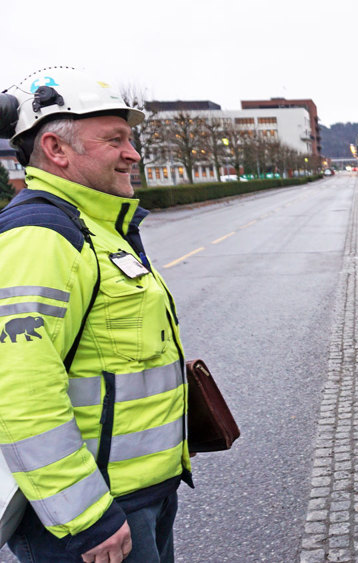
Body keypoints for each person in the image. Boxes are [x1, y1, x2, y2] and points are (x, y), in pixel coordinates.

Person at [0, 67, 191, 562]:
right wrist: (84, 515)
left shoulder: (98, 225)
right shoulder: (41, 235)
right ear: (57, 149)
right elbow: (20, 391)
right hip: (91, 517)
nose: (134, 154)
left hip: (138, 496)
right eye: (116, 140)